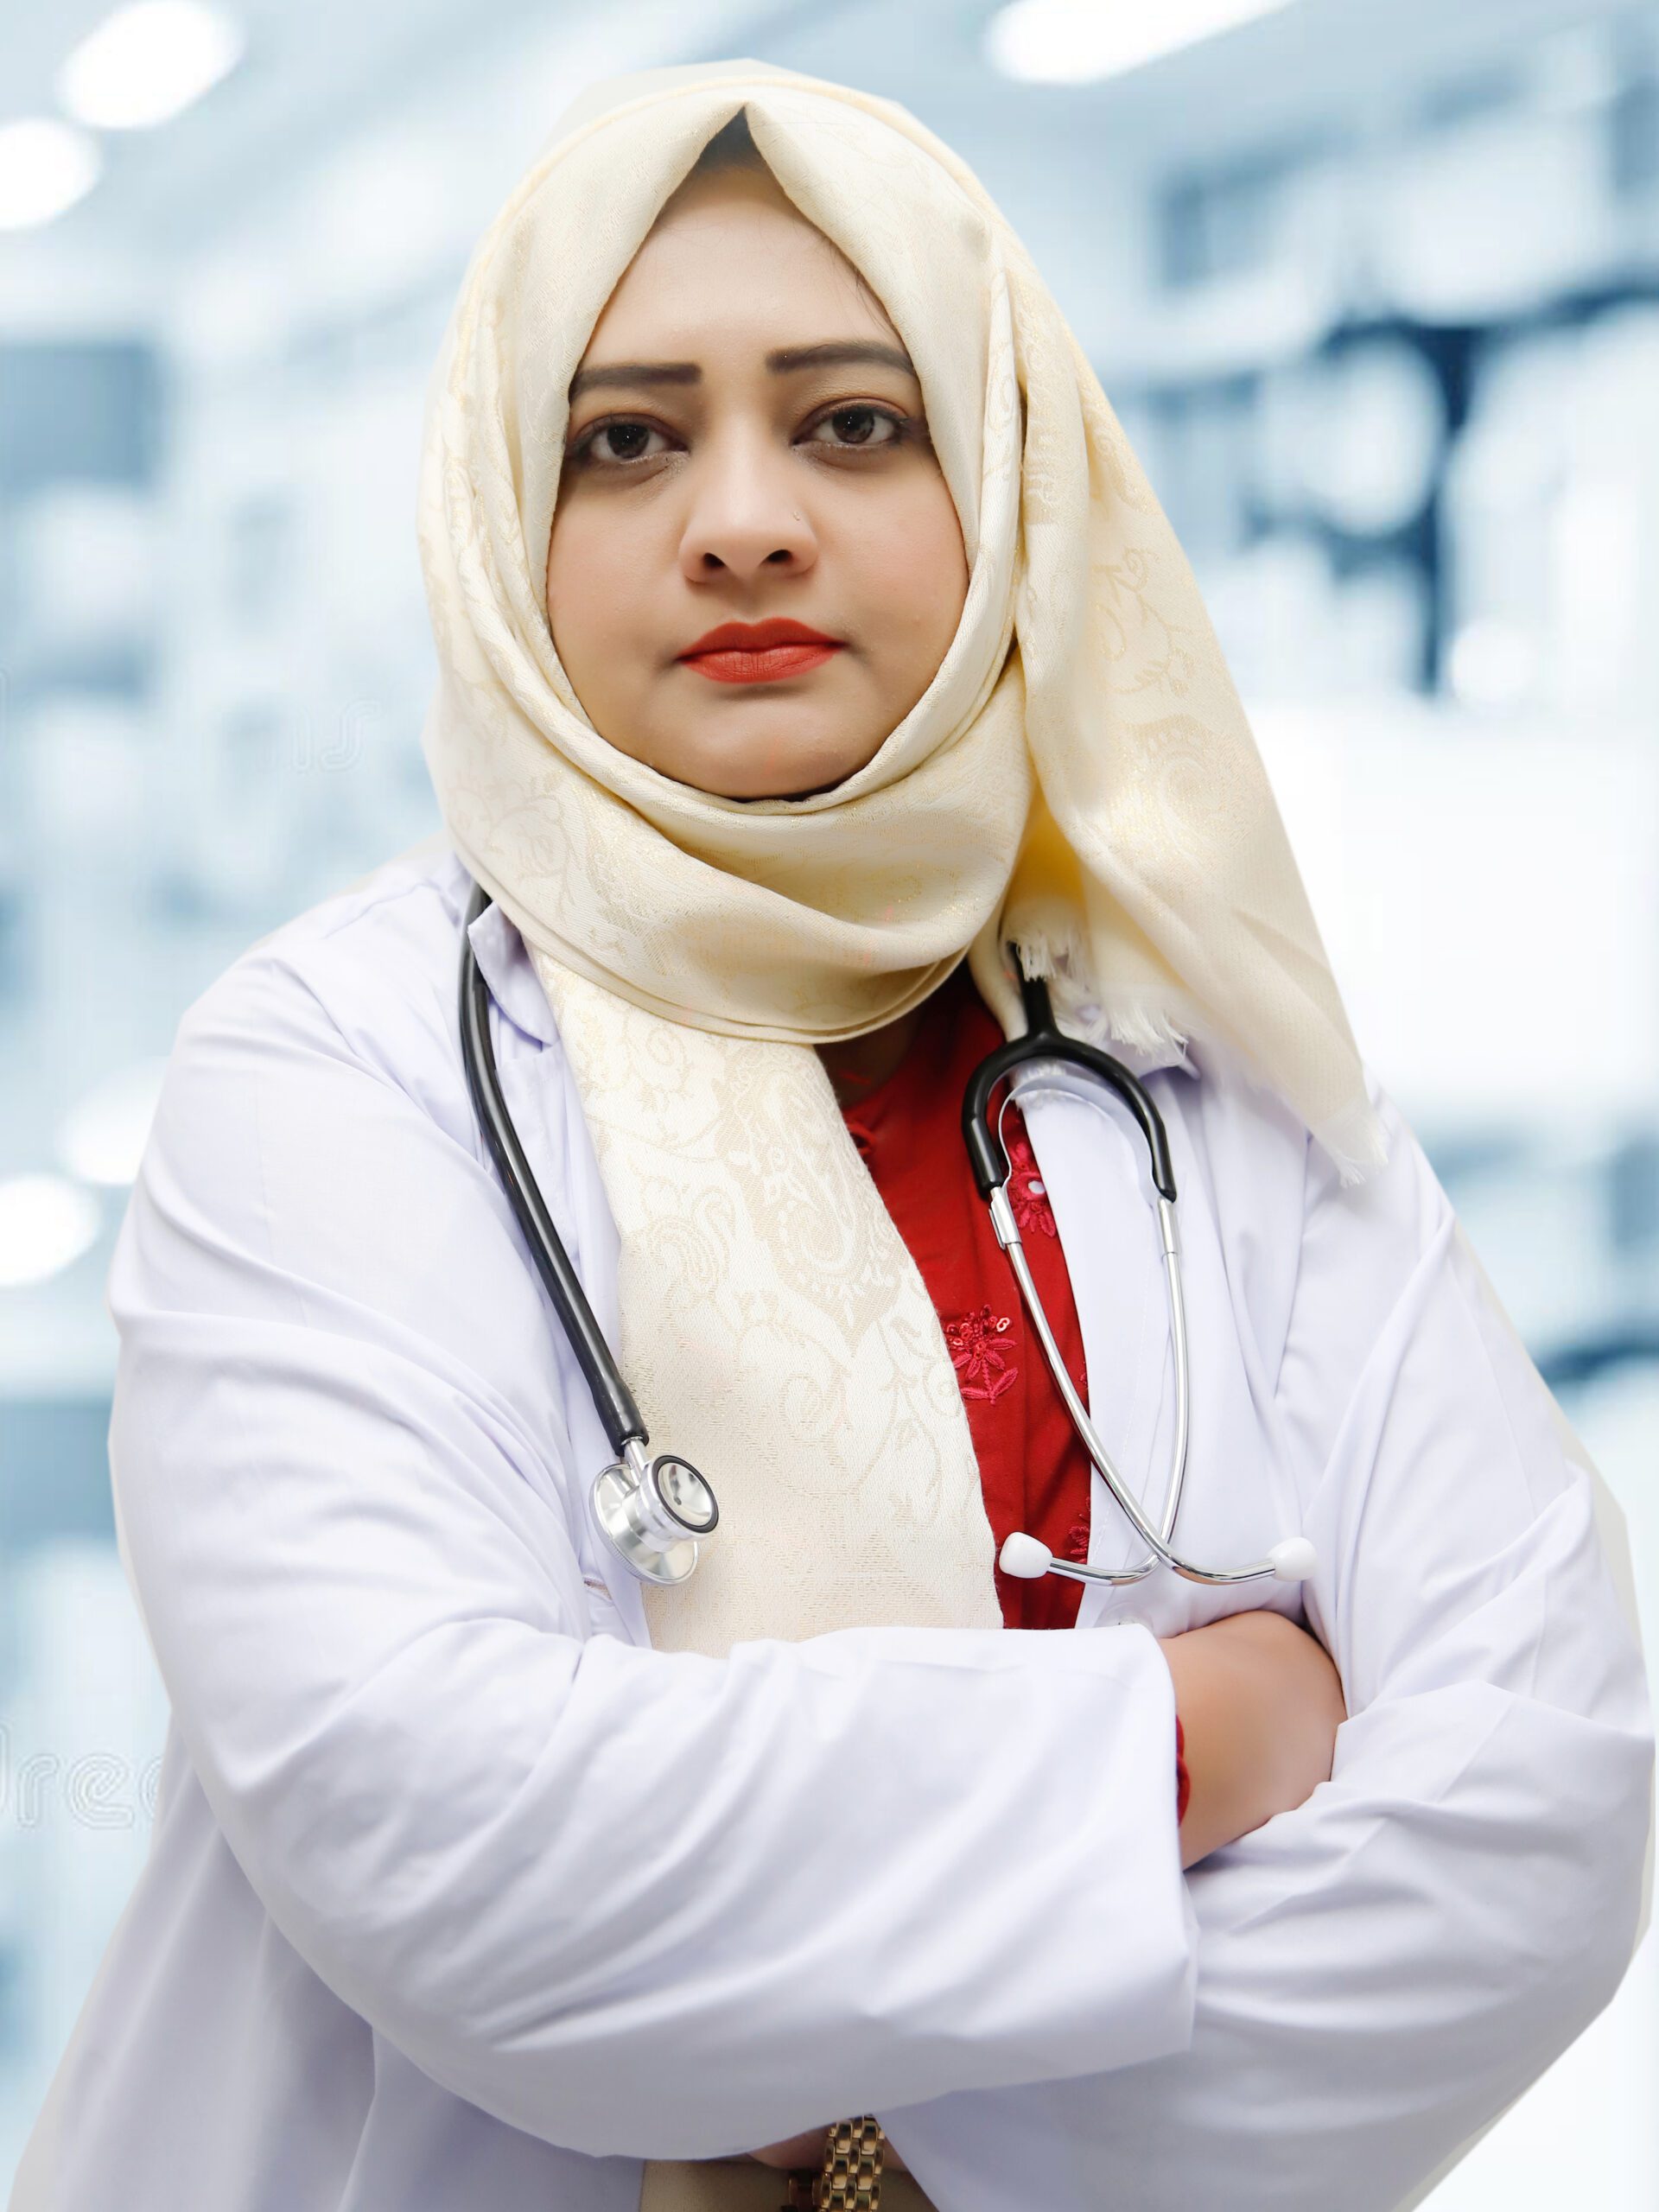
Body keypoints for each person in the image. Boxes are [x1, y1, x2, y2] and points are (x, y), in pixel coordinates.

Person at [10, 58, 1652, 2212]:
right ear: (509, 520)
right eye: (625, 439)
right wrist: (1198, 1740)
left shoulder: (1208, 1066)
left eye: (856, 420)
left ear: (1003, 486)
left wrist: (869, 2148)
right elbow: (443, 1827)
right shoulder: (338, 1069)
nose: (745, 516)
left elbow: (1532, 1817)